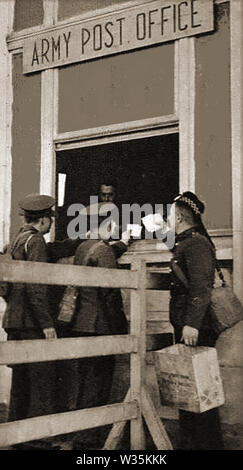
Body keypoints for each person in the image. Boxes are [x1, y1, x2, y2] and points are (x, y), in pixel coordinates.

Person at [2, 194, 85, 450]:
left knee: (21, 380)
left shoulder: (18, 239)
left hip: (15, 321)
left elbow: (51, 251)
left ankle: (16, 433)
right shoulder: (35, 241)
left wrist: (78, 241)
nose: (51, 223)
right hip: (32, 323)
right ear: (43, 219)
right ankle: (38, 438)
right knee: (42, 380)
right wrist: (47, 324)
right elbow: (36, 286)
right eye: (50, 218)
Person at [57, 202, 128, 450]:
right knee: (98, 384)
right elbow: (110, 295)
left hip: (80, 323)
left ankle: (79, 434)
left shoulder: (84, 247)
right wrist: (122, 329)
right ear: (106, 224)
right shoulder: (104, 251)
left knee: (84, 380)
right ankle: (89, 439)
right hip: (100, 325)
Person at [166, 191, 224, 450]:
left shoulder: (196, 244)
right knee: (189, 391)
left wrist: (192, 324)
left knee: (200, 393)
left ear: (179, 217)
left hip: (194, 328)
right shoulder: (185, 241)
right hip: (188, 325)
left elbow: (201, 288)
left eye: (170, 213)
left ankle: (206, 445)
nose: (167, 218)